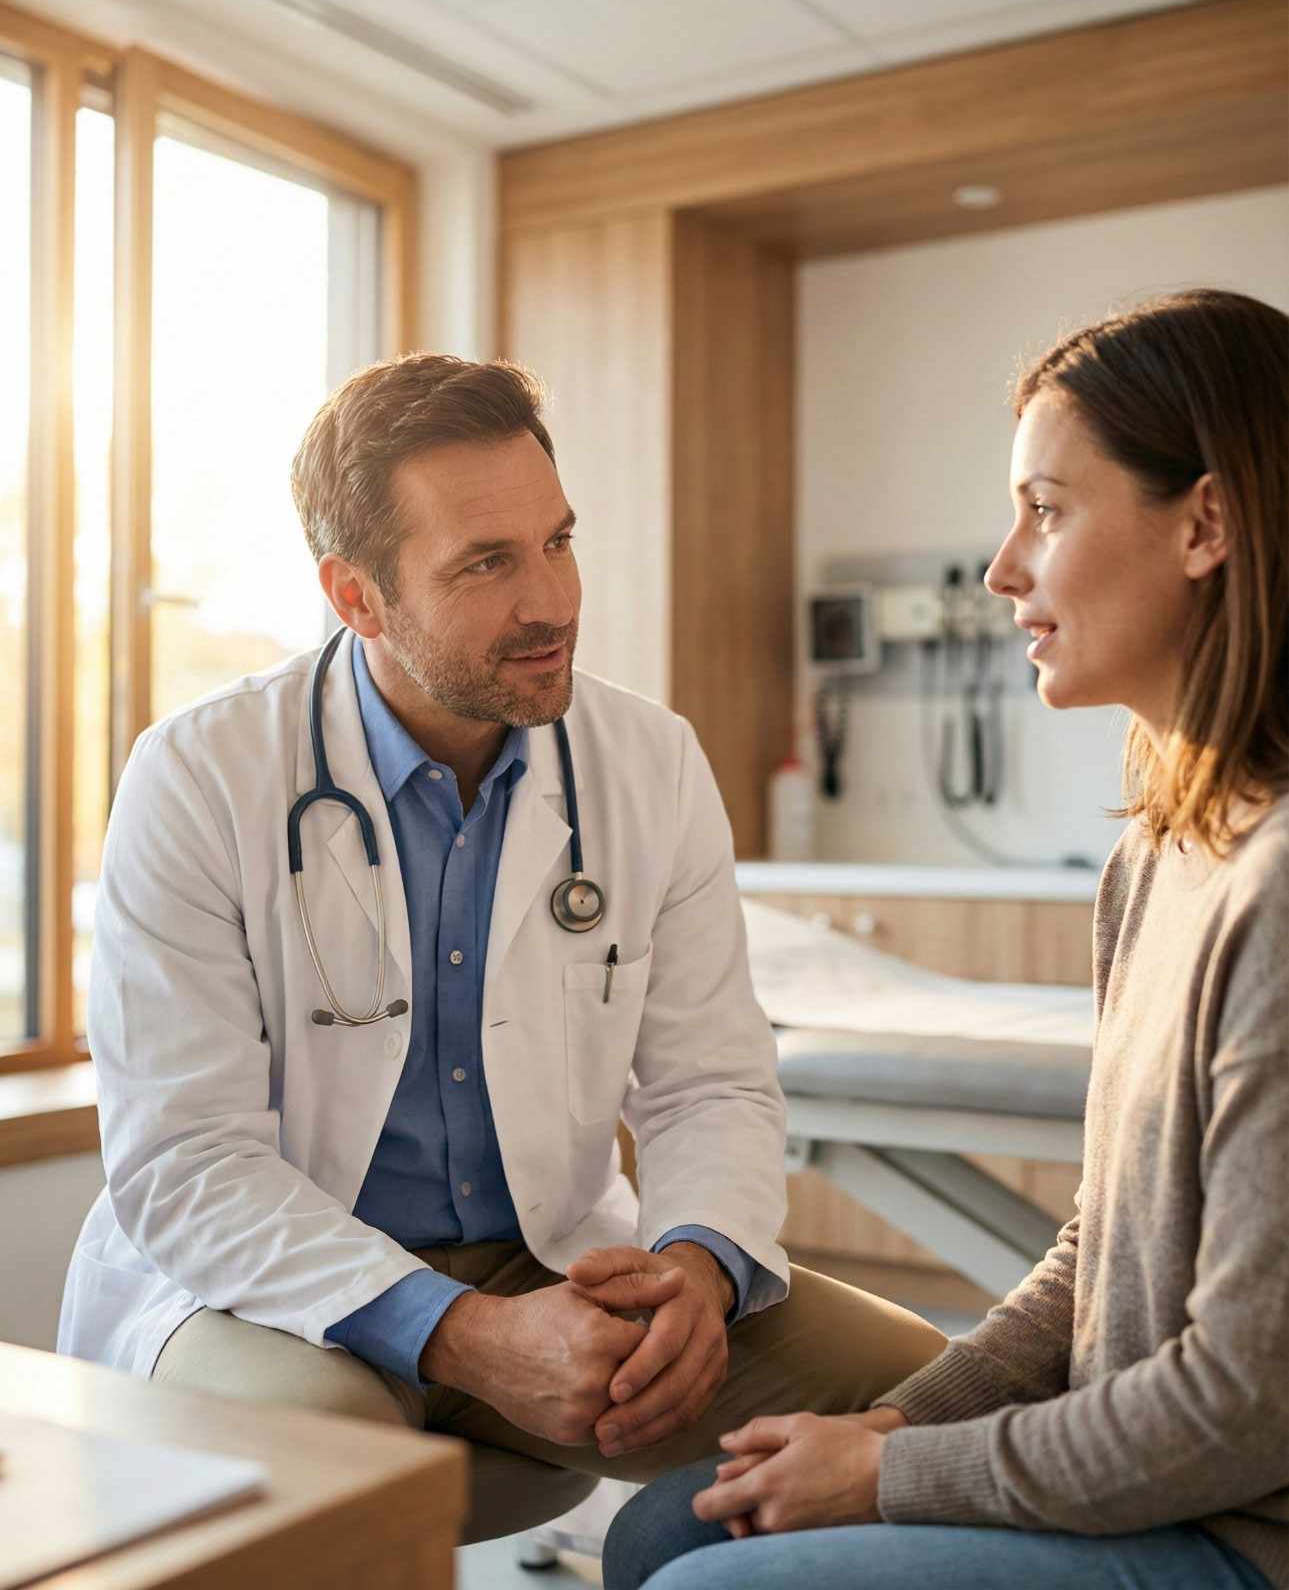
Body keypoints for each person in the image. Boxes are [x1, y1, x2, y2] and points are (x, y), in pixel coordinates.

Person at [58, 354, 944, 1542]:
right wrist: (460, 1333)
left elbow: (711, 1078)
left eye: (558, 541)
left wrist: (697, 1265)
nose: (553, 600)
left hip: (547, 1260)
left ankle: (677, 1562)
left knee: (928, 1398)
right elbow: (186, 1160)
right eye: (486, 563)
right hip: (268, 1291)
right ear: (356, 595)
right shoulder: (201, 775)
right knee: (324, 1474)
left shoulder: (650, 761)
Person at [603, 288, 1289, 1590]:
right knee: (662, 1527)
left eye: (1047, 508)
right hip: (1144, 1488)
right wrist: (895, 1427)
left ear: (1204, 523)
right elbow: (1098, 1248)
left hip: (1242, 1539)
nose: (1001, 569)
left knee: (703, 1586)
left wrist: (884, 1476)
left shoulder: (1277, 891)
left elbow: (1247, 1403)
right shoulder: (1157, 859)